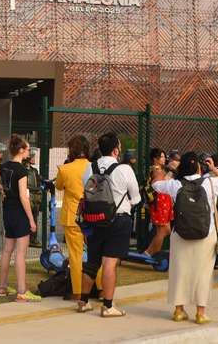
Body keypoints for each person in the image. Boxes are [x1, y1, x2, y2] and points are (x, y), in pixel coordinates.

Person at [152, 152, 218, 324]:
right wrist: (214, 169)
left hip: (180, 234)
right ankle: (200, 313)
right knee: (203, 274)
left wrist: (170, 171)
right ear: (199, 167)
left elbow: (156, 185)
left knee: (179, 272)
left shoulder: (175, 185)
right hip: (206, 235)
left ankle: (179, 310)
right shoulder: (210, 183)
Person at [76, 132, 140, 317]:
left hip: (94, 219)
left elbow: (86, 190)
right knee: (109, 263)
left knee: (92, 262)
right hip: (118, 220)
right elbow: (136, 197)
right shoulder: (124, 169)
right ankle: (108, 306)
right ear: (115, 150)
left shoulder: (90, 167)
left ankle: (83, 302)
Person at [0, 134, 41, 302]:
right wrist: (31, 219)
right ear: (21, 150)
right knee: (21, 254)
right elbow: (24, 197)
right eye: (28, 149)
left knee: (7, 250)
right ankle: (22, 291)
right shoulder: (21, 170)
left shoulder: (4, 166)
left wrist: (1, 187)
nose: (29, 152)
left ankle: (2, 287)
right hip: (19, 213)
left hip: (7, 212)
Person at [55, 135, 93, 301]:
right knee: (95, 253)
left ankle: (77, 291)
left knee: (76, 255)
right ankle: (100, 289)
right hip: (92, 215)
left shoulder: (65, 169)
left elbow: (58, 186)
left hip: (73, 216)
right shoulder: (93, 167)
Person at [144, 148, 172, 258]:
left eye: (164, 156)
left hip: (164, 201)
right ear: (155, 159)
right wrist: (170, 172)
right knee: (162, 231)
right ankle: (150, 253)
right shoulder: (157, 170)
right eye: (162, 157)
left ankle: (151, 253)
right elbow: (159, 182)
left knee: (166, 230)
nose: (164, 159)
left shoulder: (159, 169)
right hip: (160, 201)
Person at [24, 148, 42, 248]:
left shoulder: (34, 171)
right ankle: (26, 239)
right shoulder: (23, 170)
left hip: (35, 196)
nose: (34, 159)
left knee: (35, 218)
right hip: (28, 195)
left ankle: (33, 239)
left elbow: (38, 182)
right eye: (32, 157)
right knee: (27, 218)